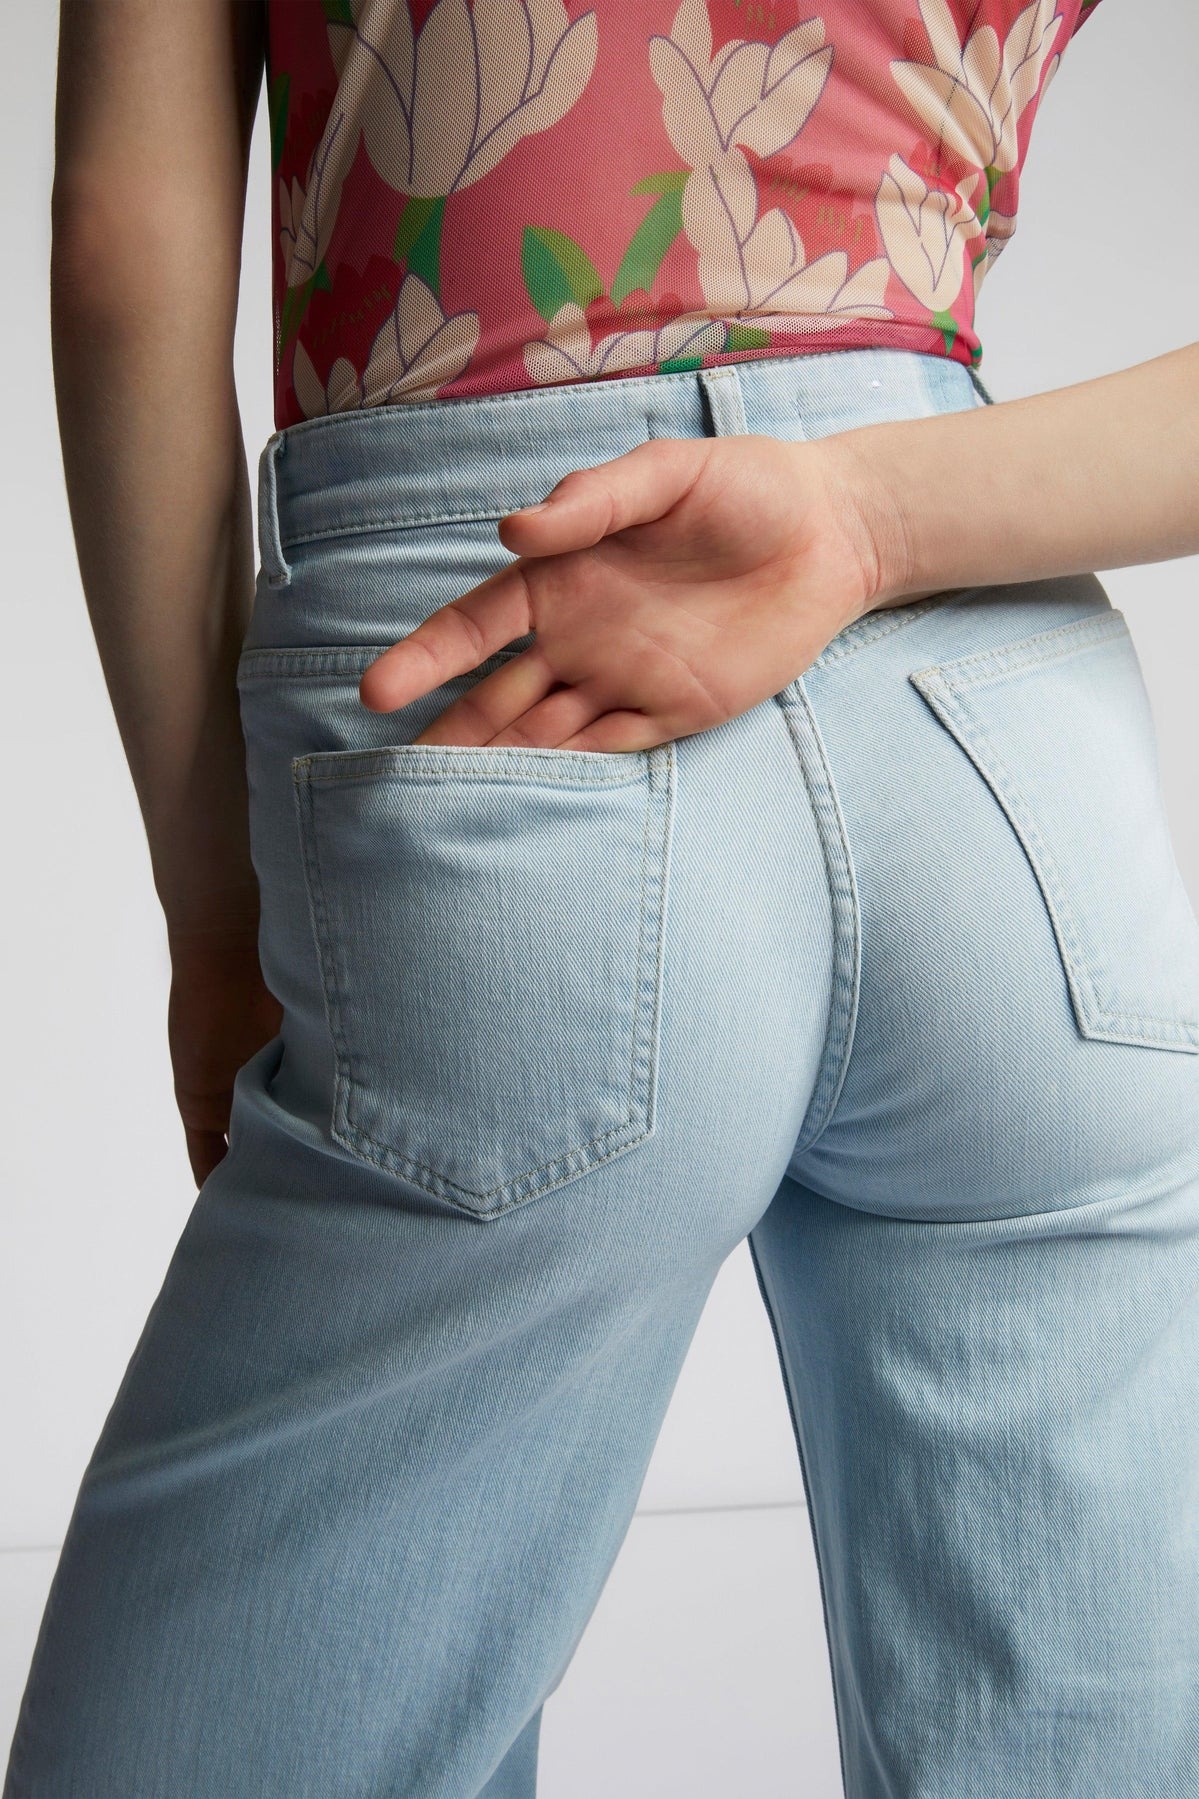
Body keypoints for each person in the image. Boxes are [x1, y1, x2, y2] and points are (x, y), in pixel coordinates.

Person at [7, 0, 1199, 1793]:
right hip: (1000, 734)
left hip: (497, 658)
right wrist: (870, 519)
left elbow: (121, 249)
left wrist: (216, 903)